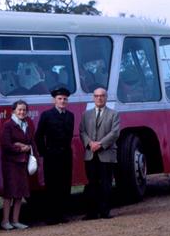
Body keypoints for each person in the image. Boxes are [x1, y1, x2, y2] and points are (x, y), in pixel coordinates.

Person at [35, 87, 75, 225]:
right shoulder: (47, 115)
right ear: (54, 100)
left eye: (65, 99)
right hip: (51, 155)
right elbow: (38, 136)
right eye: (60, 99)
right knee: (52, 185)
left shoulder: (70, 115)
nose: (62, 101)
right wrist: (44, 152)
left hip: (66, 155)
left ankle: (62, 214)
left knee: (65, 184)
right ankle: (52, 216)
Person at [79, 88, 121, 220]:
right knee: (92, 183)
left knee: (106, 183)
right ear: (93, 98)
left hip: (106, 154)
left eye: (102, 96)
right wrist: (90, 143)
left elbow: (114, 133)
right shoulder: (86, 114)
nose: (99, 98)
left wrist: (100, 144)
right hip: (90, 154)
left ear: (106, 97)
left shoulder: (114, 114)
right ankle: (91, 212)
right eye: (96, 96)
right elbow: (82, 131)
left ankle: (104, 211)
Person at [0, 100, 37, 230]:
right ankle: (5, 221)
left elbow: (32, 142)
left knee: (20, 192)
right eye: (19, 110)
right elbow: (6, 145)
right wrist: (20, 149)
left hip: (23, 163)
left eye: (24, 110)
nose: (22, 112)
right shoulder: (8, 125)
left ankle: (15, 220)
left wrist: (32, 153)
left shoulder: (27, 124)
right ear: (14, 111)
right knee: (9, 192)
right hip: (11, 164)